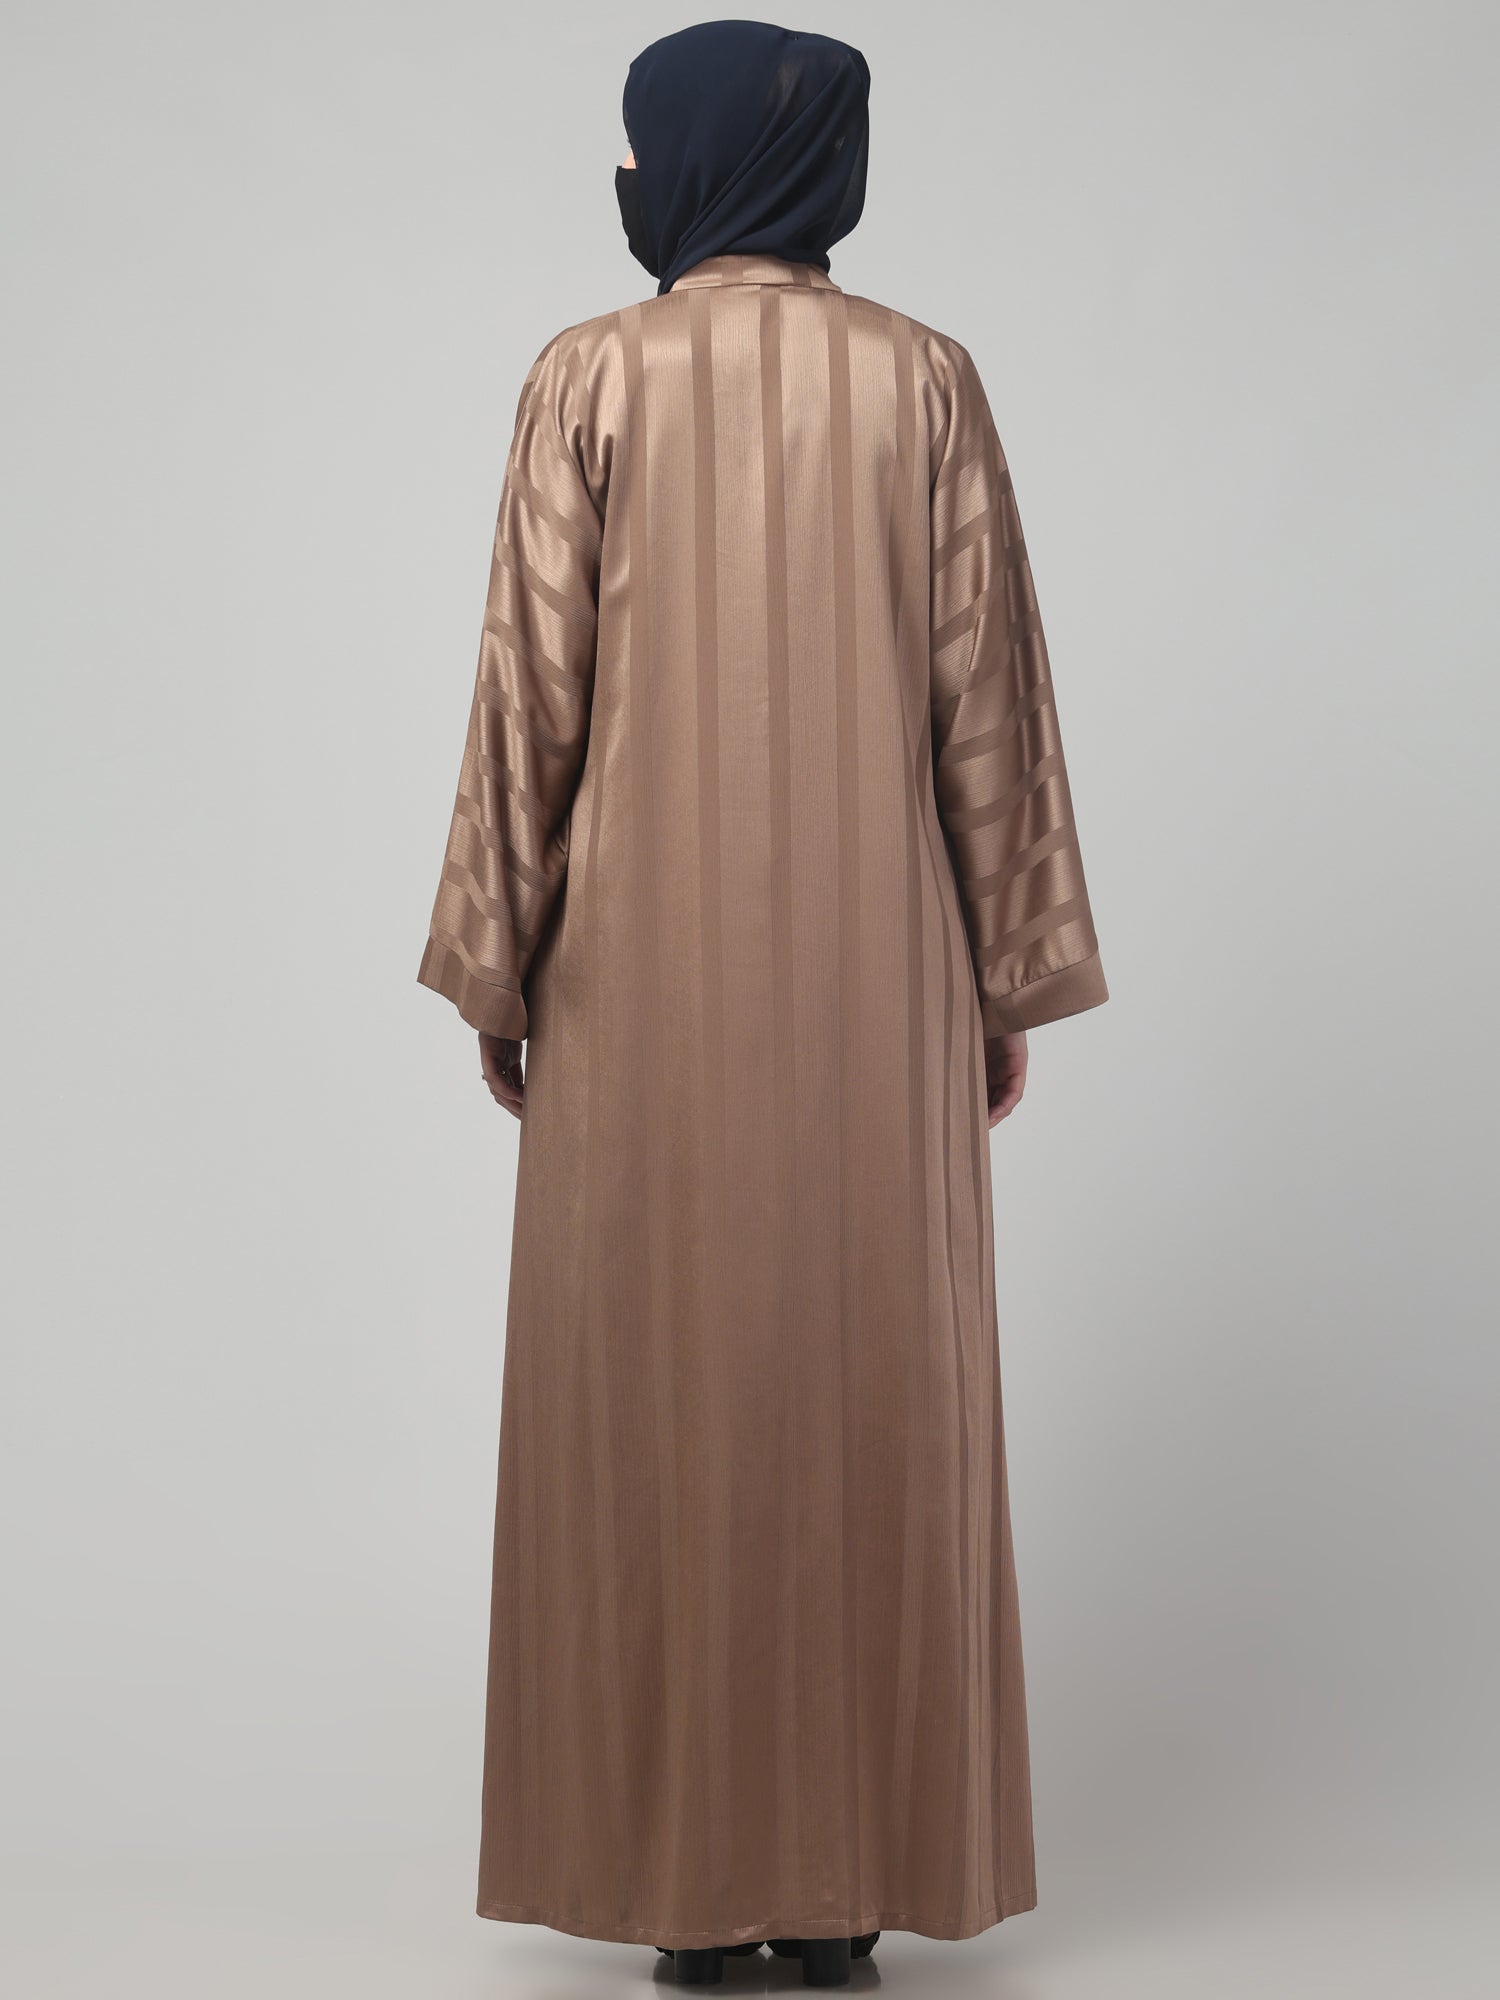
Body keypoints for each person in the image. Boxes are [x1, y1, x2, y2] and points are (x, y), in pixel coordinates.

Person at [416, 19, 1107, 1990]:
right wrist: (1007, 973)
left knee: (648, 1406)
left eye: (641, 147)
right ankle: (840, 1896)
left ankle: (684, 1894)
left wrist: (493, 961)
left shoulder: (590, 376)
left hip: (630, 989)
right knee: (873, 1401)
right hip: (887, 981)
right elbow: (991, 705)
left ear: (699, 159)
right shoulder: (923, 380)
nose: (629, 178)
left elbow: (530, 697)